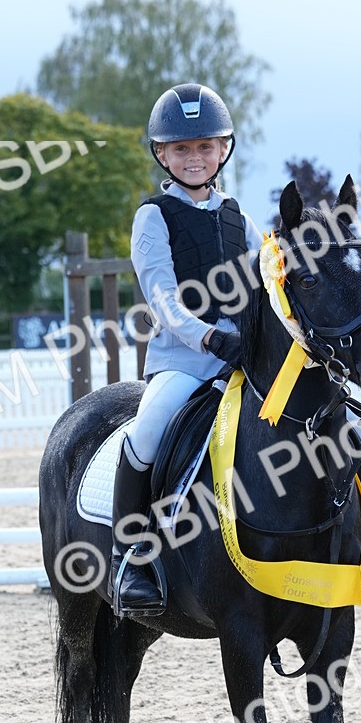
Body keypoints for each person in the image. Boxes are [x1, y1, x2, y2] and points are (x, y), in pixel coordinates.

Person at [111, 82, 262, 616]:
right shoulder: (153, 215)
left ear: (223, 148)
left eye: (204, 146)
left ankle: (337, 550)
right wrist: (207, 334)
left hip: (242, 358)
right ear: (162, 154)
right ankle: (132, 556)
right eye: (181, 149)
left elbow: (264, 285)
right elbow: (163, 298)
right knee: (148, 428)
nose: (193, 158)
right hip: (184, 358)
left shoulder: (240, 218)